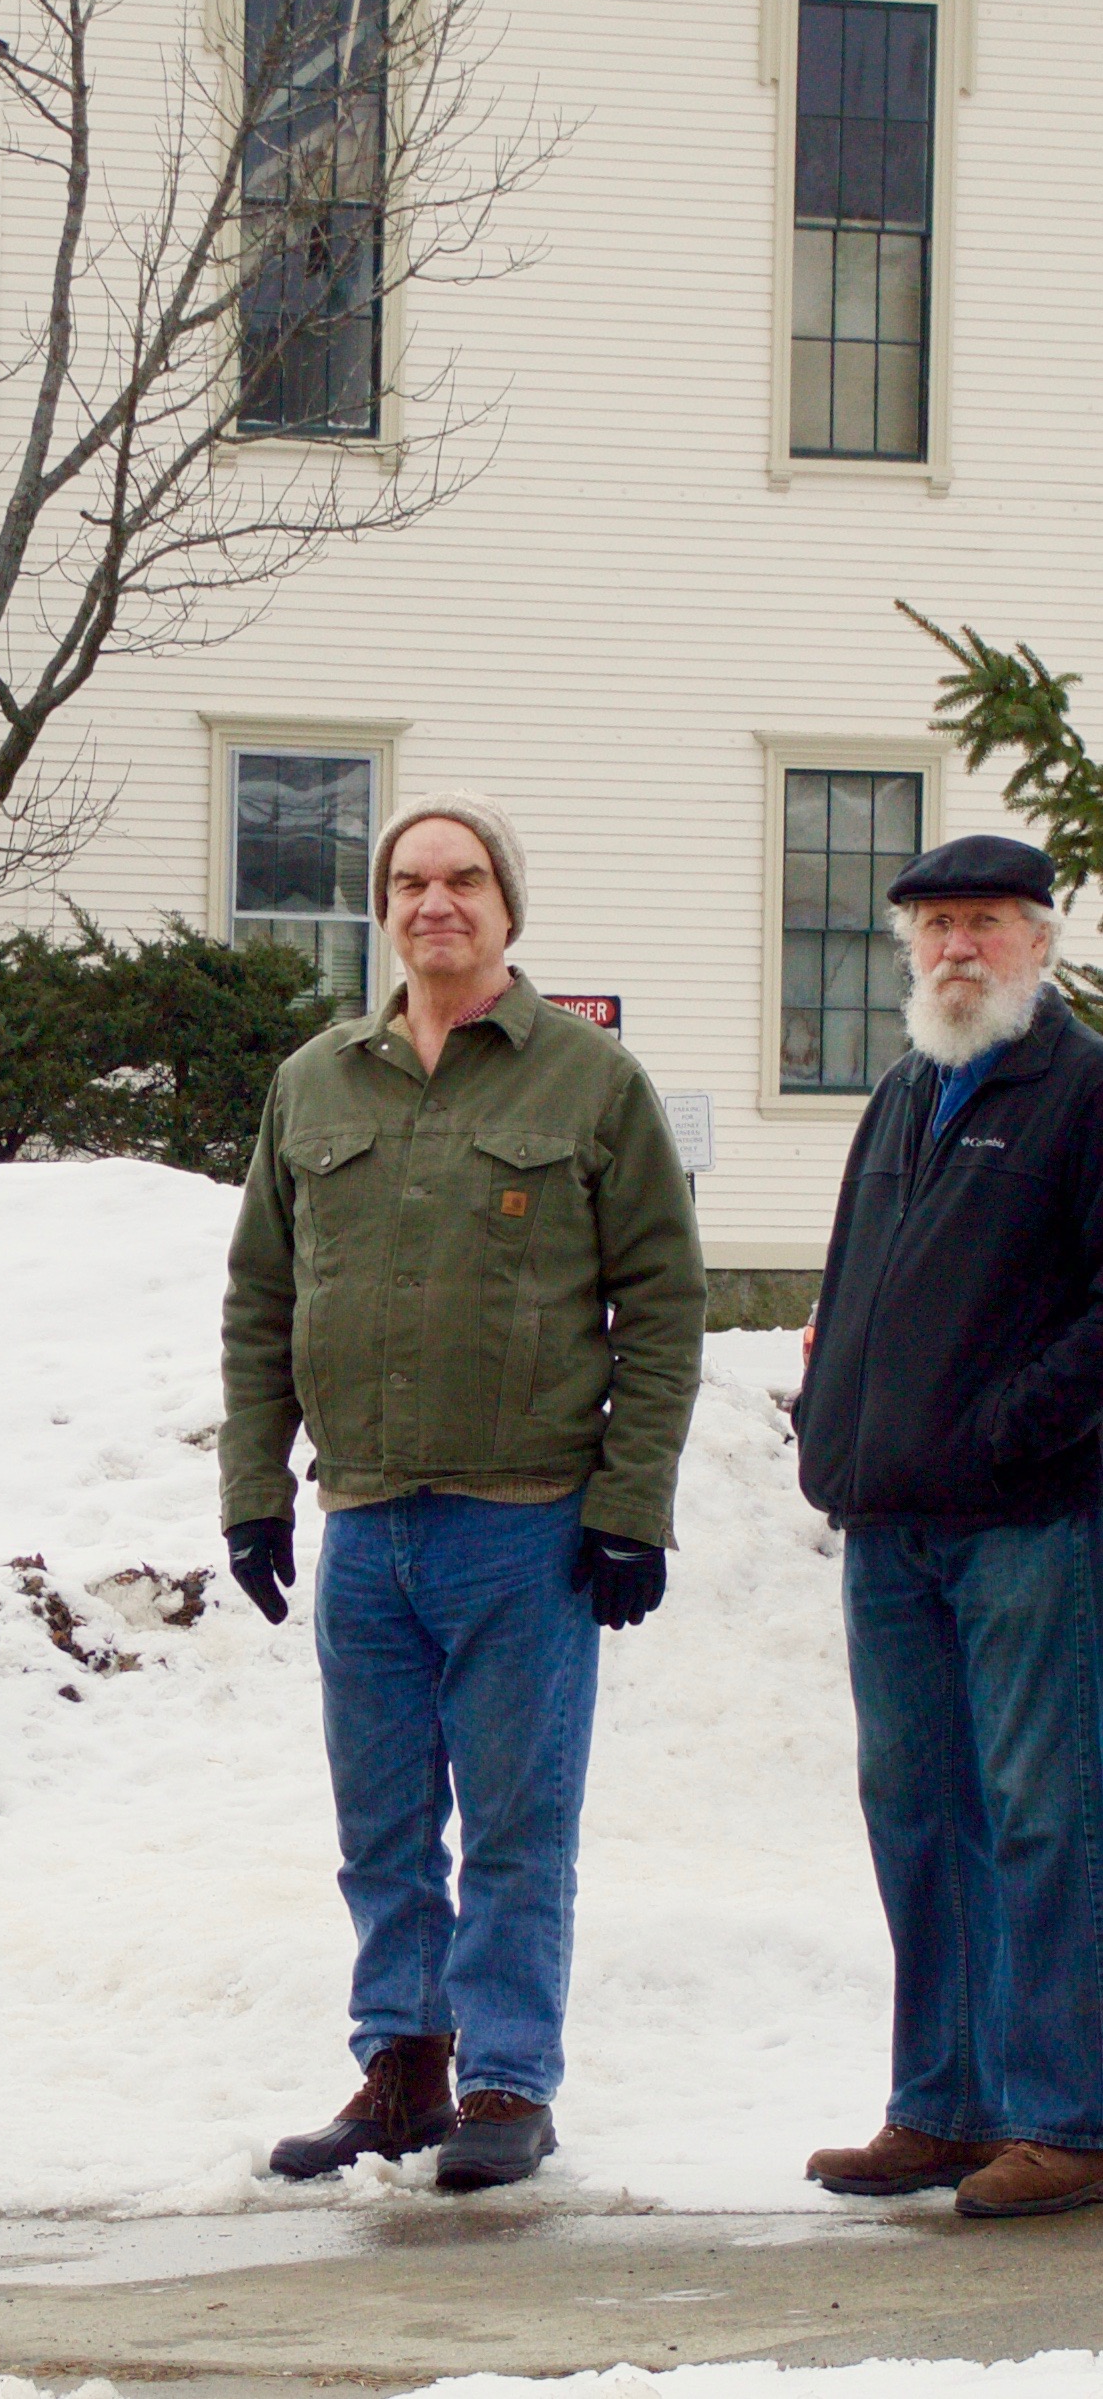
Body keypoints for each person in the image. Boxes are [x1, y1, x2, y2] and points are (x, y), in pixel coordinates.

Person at [223, 798, 707, 2193]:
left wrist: (630, 1503)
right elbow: (258, 1295)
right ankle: (399, 2067)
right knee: (376, 1822)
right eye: (408, 879)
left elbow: (661, 1306)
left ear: (506, 905)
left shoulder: (587, 1081)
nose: (434, 900)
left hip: (523, 1523)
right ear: (383, 907)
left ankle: (505, 2077)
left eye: (463, 878)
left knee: (510, 1819)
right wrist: (253, 1491)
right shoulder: (314, 1081)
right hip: (362, 1518)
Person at [794, 836, 1103, 2219]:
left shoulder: (1077, 1090)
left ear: (1037, 940)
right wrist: (827, 1425)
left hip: (1022, 1518)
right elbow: (856, 1284)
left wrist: (1008, 1426)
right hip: (887, 1519)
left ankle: (1066, 2114)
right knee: (914, 1810)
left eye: (981, 922)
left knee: (1042, 1812)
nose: (952, 949)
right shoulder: (904, 1091)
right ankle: (942, 2101)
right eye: (928, 927)